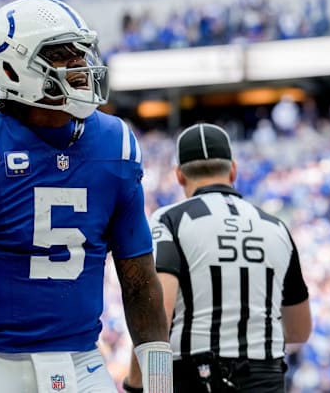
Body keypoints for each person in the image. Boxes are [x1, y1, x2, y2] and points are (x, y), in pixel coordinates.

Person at [0, 0, 173, 393]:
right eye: (62, 56)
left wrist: (159, 385)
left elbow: (139, 283)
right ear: (12, 68)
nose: (81, 67)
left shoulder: (114, 143)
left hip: (83, 362)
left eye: (81, 53)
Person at [124, 123, 312, 393]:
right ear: (233, 170)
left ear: (179, 175)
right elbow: (299, 329)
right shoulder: (276, 226)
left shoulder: (170, 220)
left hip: (196, 375)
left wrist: (137, 384)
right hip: (266, 377)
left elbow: (157, 313)